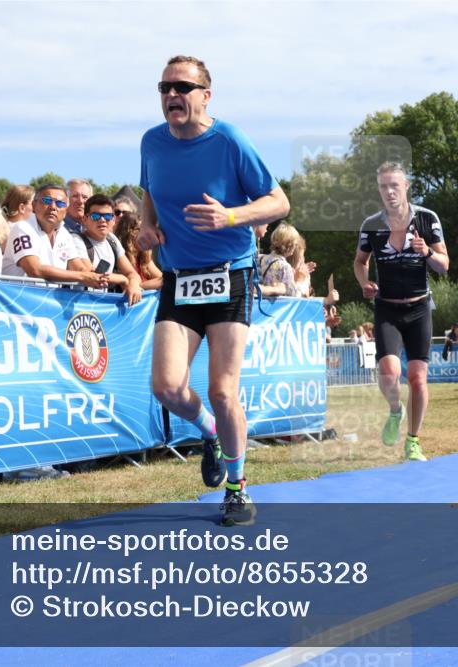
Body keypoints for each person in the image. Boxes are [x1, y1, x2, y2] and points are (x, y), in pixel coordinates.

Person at [136, 55, 289, 526]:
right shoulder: (152, 142)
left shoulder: (230, 140)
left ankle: (237, 489)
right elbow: (149, 196)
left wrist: (230, 216)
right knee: (166, 387)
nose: (172, 95)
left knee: (223, 392)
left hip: (230, 274)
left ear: (206, 94)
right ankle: (210, 434)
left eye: (182, 86)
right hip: (180, 277)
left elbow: (279, 201)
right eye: (164, 87)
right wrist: (145, 229)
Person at [353, 161, 449, 462]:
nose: (389, 191)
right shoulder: (372, 224)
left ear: (406, 185)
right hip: (387, 310)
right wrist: (364, 282)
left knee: (418, 379)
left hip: (419, 307)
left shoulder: (426, 219)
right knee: (389, 373)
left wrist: (428, 252)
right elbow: (360, 261)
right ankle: (396, 409)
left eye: (395, 185)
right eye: (384, 186)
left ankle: (413, 440)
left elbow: (444, 265)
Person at [1, 183, 110, 288]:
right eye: (47, 201)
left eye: (60, 203)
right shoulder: (22, 228)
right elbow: (35, 270)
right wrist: (83, 276)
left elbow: (79, 269)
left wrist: (96, 276)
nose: (53, 207)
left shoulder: (65, 234)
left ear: (66, 209)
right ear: (34, 205)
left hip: (48, 302)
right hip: (17, 302)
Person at [72, 194, 143, 305]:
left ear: (113, 220)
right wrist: (123, 279)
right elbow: (91, 276)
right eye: (96, 216)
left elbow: (132, 273)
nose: (102, 220)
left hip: (103, 307)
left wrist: (133, 284)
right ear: (85, 219)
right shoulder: (76, 239)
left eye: (108, 216)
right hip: (80, 305)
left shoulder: (111, 239)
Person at [115, 211, 163, 290]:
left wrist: (138, 286)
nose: (147, 235)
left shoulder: (144, 256)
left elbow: (163, 279)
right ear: (129, 234)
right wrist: (136, 286)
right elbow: (126, 287)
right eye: (142, 230)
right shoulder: (121, 257)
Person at [258, 222, 306, 297]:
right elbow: (294, 295)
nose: (295, 247)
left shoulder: (260, 258)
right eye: (295, 244)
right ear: (290, 245)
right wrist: (299, 281)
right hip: (275, 306)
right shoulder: (285, 267)